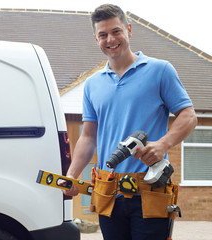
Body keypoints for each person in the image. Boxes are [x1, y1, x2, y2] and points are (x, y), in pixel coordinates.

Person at [64, 4, 197, 240]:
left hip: (150, 189)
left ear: (129, 30)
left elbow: (188, 116)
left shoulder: (160, 70)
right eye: (103, 34)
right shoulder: (93, 84)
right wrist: (72, 174)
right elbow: (88, 136)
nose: (110, 39)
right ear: (96, 39)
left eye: (116, 31)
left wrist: (163, 144)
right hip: (108, 191)